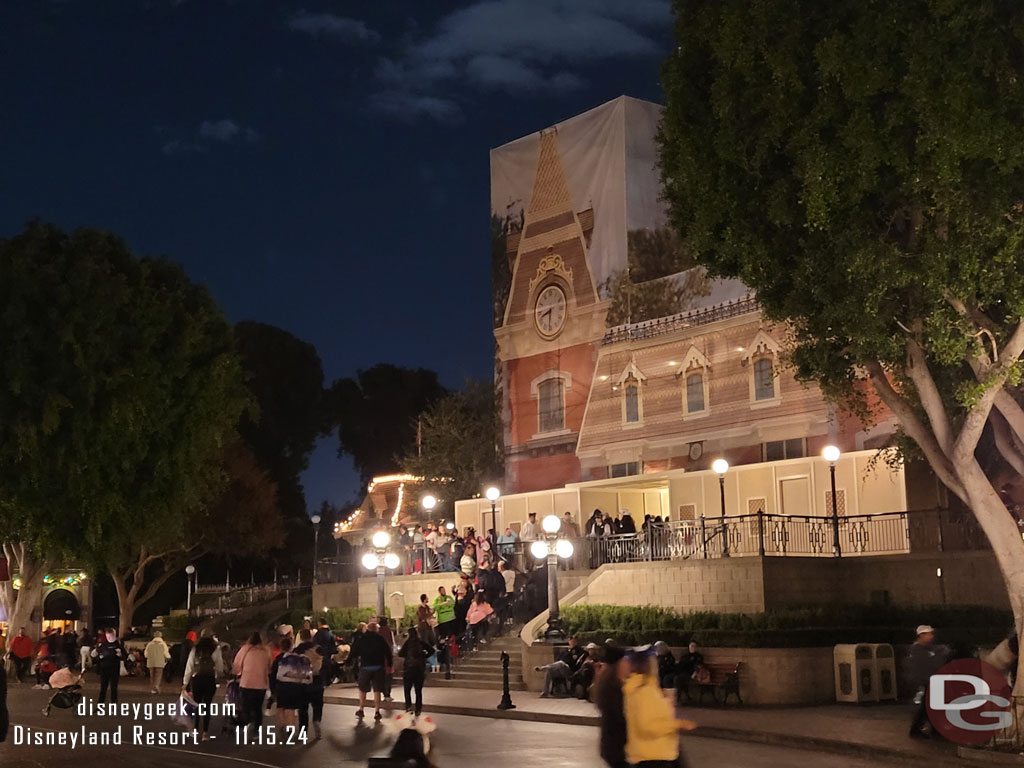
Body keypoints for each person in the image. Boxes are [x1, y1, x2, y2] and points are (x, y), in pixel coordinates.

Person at [623, 647, 696, 767]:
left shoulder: (639, 688)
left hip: (650, 754)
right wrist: (677, 724)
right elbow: (647, 725)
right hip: (655, 756)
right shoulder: (646, 691)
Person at [907, 624, 948, 739]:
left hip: (929, 681)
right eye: (928, 634)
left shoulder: (927, 648)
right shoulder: (918, 650)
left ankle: (923, 730)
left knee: (928, 706)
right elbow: (926, 666)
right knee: (929, 706)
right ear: (921, 635)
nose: (931, 636)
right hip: (924, 681)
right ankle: (931, 731)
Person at [594, 646, 628, 768]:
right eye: (624, 661)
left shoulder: (608, 682)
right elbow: (620, 715)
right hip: (616, 747)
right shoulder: (612, 687)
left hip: (612, 746)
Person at [352, 621, 393, 721]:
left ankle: (361, 709)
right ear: (376, 630)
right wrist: (390, 663)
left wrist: (350, 661)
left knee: (362, 689)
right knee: (377, 690)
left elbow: (354, 651)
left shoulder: (362, 639)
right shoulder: (380, 639)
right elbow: (388, 652)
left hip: (365, 667)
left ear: (368, 629)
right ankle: (377, 711)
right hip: (378, 667)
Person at [233, 631, 272, 732]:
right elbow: (269, 666)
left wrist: (238, 672)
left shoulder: (245, 649)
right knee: (258, 708)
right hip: (261, 683)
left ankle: (247, 722)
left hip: (246, 682)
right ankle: (256, 730)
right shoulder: (266, 650)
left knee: (246, 705)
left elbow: (237, 664)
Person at [183, 635, 218, 740]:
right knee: (207, 706)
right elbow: (219, 667)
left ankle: (195, 730)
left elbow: (189, 667)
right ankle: (205, 733)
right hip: (210, 679)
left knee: (197, 704)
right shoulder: (215, 650)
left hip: (197, 679)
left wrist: (185, 682)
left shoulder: (195, 650)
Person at [269, 636, 309, 729]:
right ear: (291, 646)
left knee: (280, 707)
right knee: (290, 708)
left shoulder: (278, 659)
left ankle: (282, 725)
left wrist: (273, 689)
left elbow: (273, 675)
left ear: (281, 646)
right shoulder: (297, 659)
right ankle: (290, 727)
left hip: (281, 686)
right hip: (294, 687)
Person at [294, 628, 326, 739]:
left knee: (303, 709)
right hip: (317, 679)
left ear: (301, 638)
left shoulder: (297, 650)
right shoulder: (318, 648)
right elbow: (325, 663)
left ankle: (303, 733)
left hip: (303, 680)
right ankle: (317, 721)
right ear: (311, 636)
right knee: (318, 705)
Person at [399, 627, 434, 717]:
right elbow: (432, 650)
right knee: (418, 691)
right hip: (419, 669)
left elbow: (400, 653)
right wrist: (424, 656)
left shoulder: (407, 643)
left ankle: (408, 707)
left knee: (407, 690)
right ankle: (418, 709)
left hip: (408, 669)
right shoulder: (421, 642)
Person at [91, 628, 125, 703]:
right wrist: (98, 656)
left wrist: (120, 655)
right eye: (107, 636)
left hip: (114, 669)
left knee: (114, 688)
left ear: (114, 635)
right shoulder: (103, 645)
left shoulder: (118, 645)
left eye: (110, 636)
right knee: (103, 688)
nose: (109, 638)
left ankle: (113, 705)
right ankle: (100, 705)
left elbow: (124, 656)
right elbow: (95, 655)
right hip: (104, 669)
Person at [375, 619, 397, 701]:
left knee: (381, 677)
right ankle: (387, 694)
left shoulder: (377, 632)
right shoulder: (389, 631)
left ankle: (382, 693)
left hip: (379, 658)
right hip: (388, 657)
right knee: (388, 677)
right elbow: (392, 643)